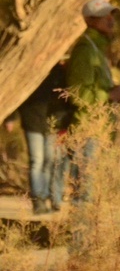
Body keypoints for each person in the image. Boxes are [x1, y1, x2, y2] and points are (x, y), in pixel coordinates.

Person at [66, 0, 120, 203]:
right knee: (84, 196)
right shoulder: (85, 50)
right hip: (87, 132)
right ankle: (78, 236)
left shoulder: (98, 49)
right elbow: (78, 93)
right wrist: (108, 95)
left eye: (111, 15)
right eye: (104, 16)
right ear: (90, 21)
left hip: (98, 131)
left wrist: (114, 93)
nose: (110, 20)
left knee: (91, 198)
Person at [7, 63, 73, 214]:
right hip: (32, 120)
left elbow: (62, 98)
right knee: (37, 160)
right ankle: (39, 199)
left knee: (49, 161)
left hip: (51, 123)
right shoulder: (29, 71)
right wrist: (11, 117)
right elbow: (18, 94)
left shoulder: (57, 72)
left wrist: (63, 123)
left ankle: (45, 196)